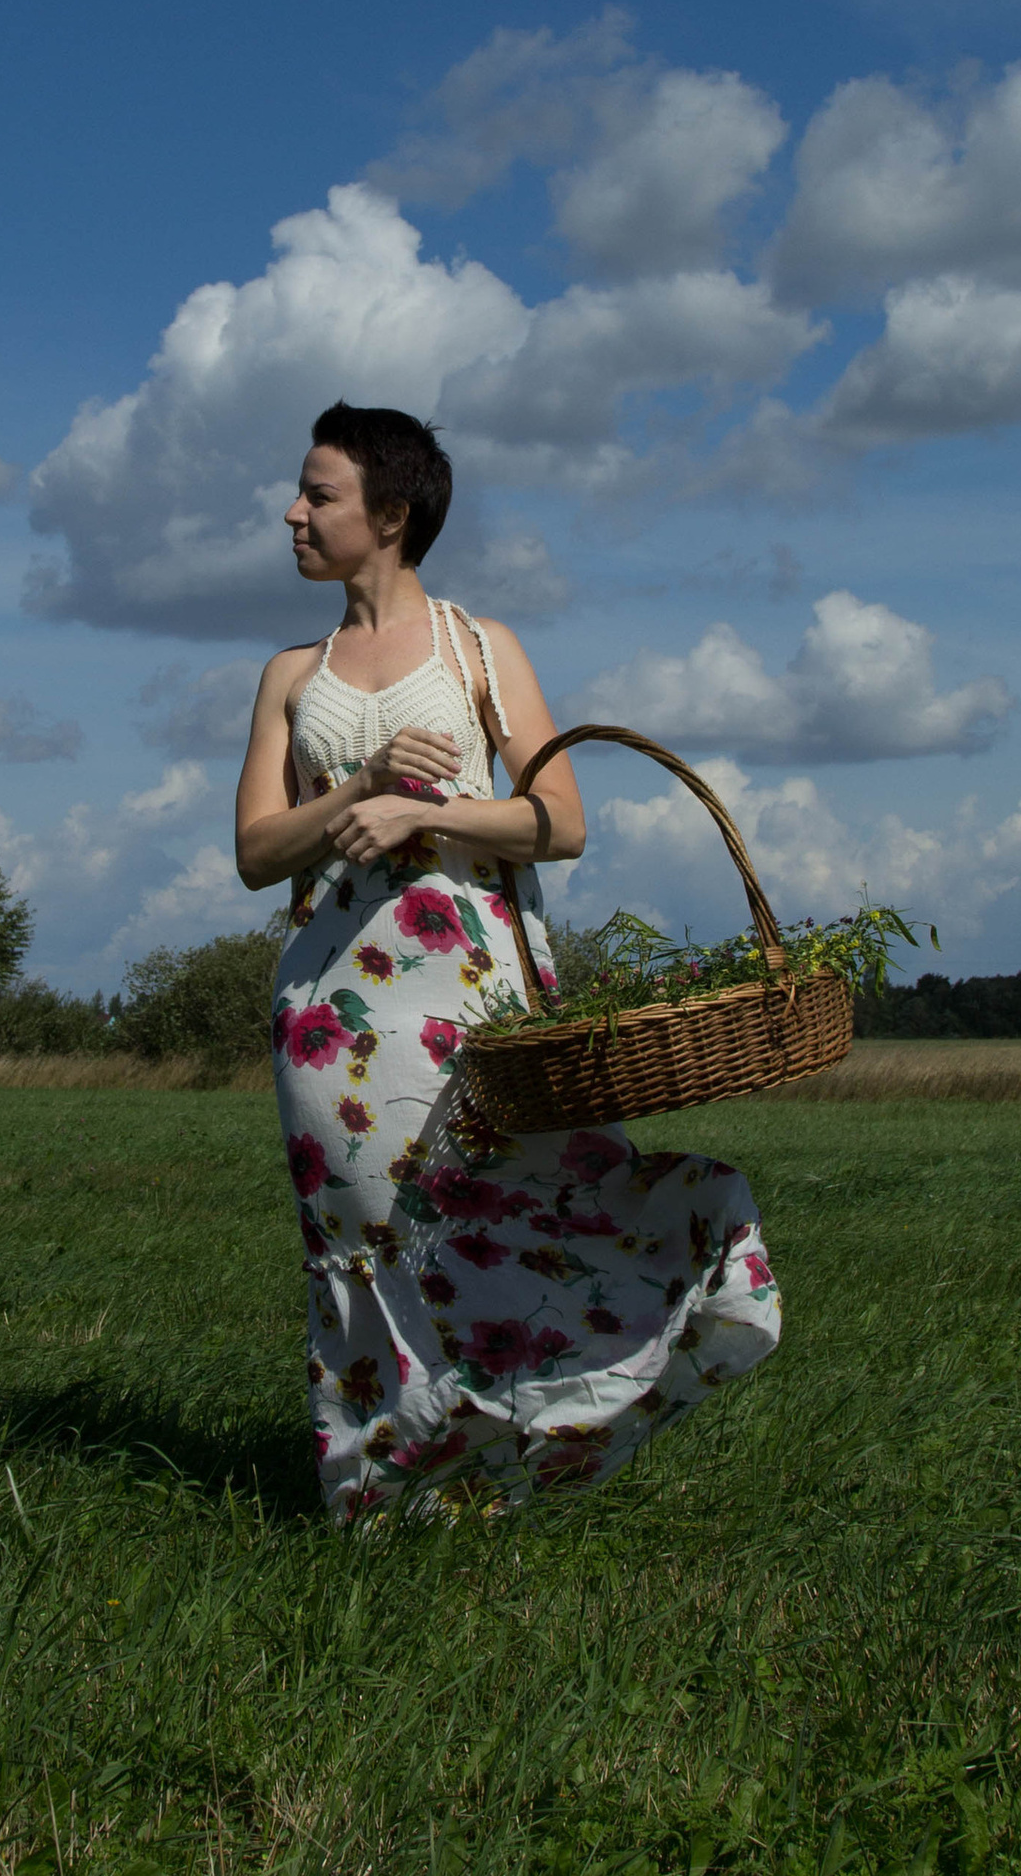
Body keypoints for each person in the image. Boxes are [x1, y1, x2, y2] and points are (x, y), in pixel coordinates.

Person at [236, 401, 779, 1523]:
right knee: (364, 1248)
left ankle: (522, 1456)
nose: (292, 513)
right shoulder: (292, 673)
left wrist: (425, 815)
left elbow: (560, 821)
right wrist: (359, 786)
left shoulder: (479, 648)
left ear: (390, 514)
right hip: (331, 1014)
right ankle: (381, 1500)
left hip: (474, 998)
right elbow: (254, 852)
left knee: (533, 1207)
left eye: (317, 493)